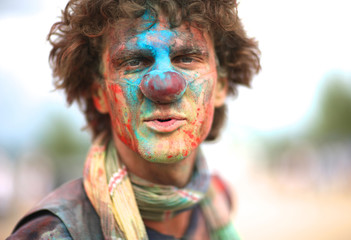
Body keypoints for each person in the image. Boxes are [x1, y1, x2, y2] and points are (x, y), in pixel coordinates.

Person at [7, 0, 260, 239]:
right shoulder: (49, 232)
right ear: (100, 94)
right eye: (135, 61)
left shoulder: (219, 197)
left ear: (220, 87)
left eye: (186, 58)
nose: (164, 85)